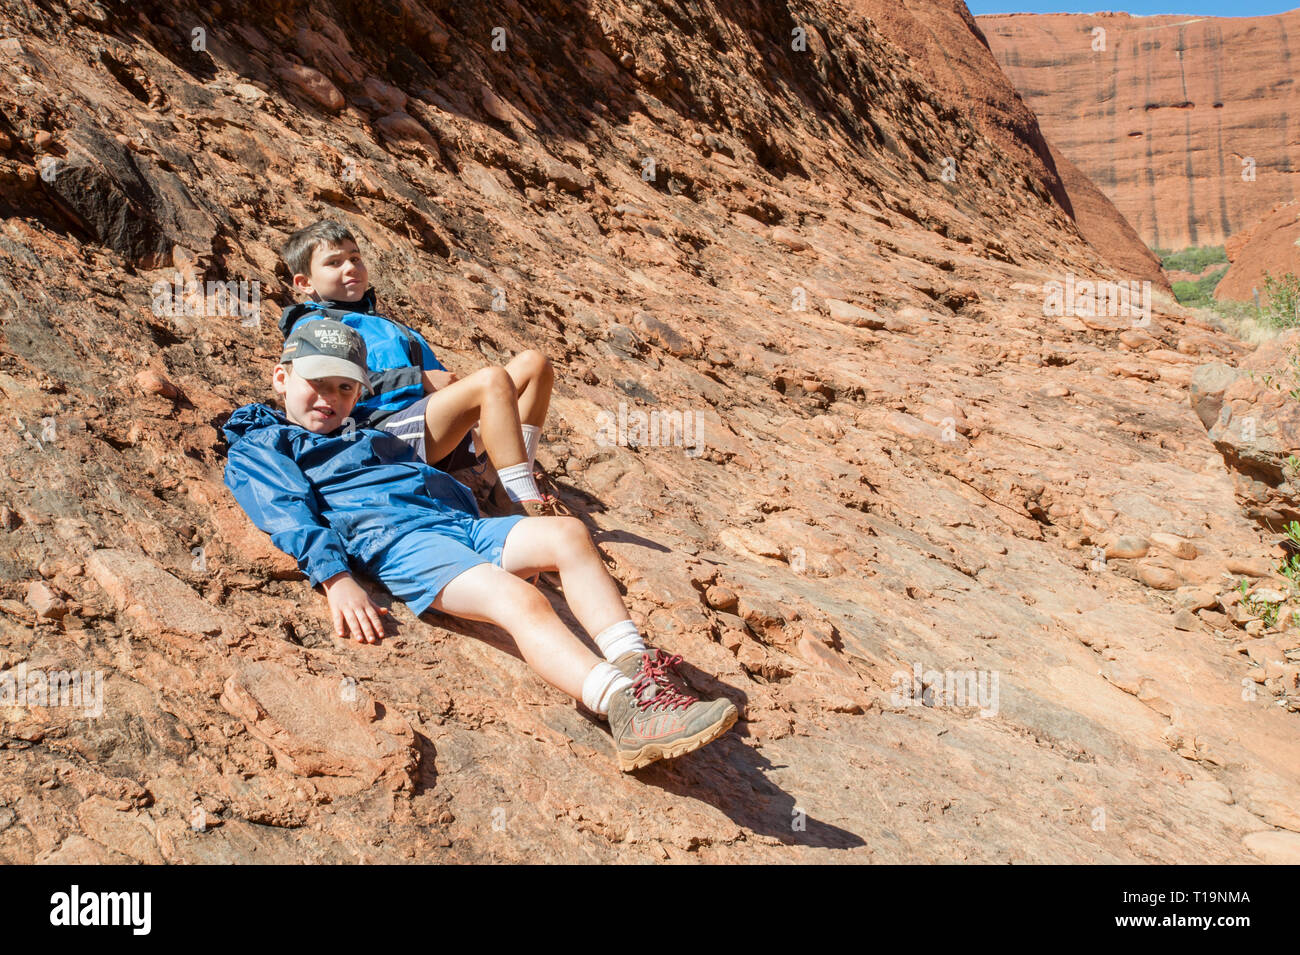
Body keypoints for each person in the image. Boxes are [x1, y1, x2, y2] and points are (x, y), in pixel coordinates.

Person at [222, 319, 737, 771]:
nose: (329, 399)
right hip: (403, 544)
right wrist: (335, 579)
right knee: (522, 600)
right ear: (281, 377)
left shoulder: (358, 431)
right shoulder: (264, 442)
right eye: (317, 384)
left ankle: (640, 673)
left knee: (568, 535)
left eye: (344, 388)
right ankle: (624, 709)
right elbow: (285, 511)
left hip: (455, 522)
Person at [278, 219, 565, 516]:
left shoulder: (391, 326)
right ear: (304, 283)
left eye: (354, 258)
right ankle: (526, 502)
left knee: (534, 364)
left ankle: (507, 490)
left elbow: (441, 383)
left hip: (430, 425)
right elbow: (328, 389)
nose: (350, 267)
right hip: (381, 431)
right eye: (334, 263)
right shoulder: (316, 326)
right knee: (491, 380)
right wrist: (418, 379)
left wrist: (452, 390)